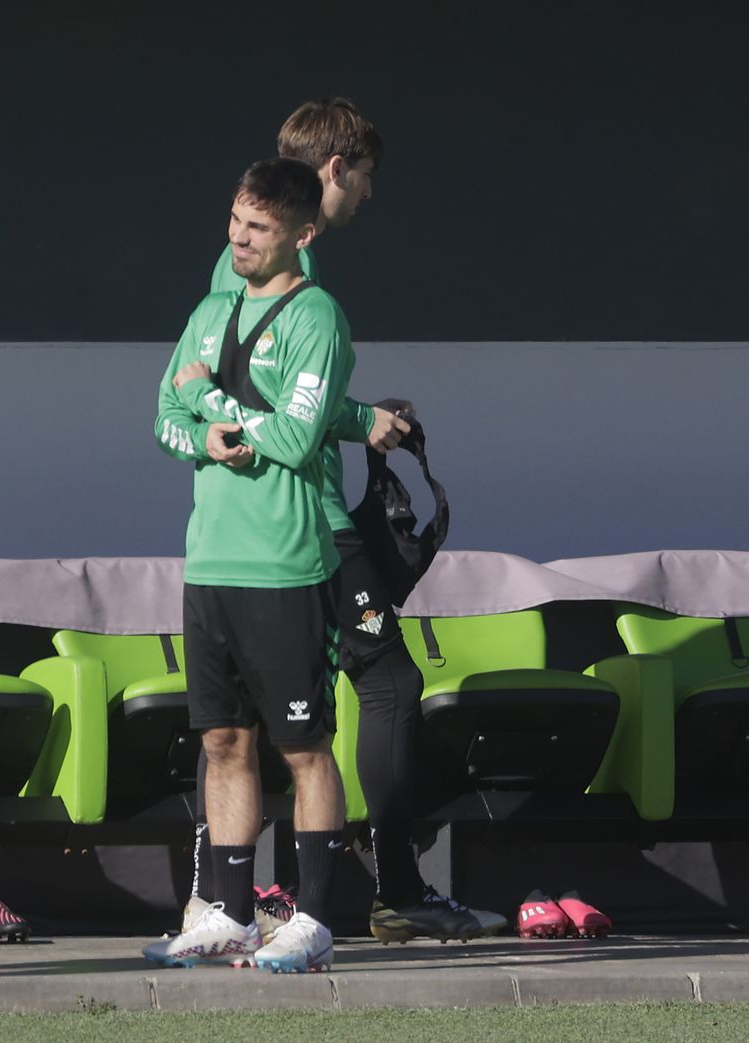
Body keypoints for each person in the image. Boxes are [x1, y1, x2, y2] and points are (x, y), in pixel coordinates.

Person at [183, 98, 505, 946]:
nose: (368, 194)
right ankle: (381, 889)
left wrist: (356, 416)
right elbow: (251, 399)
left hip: (292, 525)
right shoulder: (273, 274)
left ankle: (265, 896)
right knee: (385, 688)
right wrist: (356, 418)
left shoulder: (287, 270)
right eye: (363, 177)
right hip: (304, 528)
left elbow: (270, 396)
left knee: (261, 723)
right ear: (336, 170)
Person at [152, 157, 404, 973]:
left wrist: (215, 405)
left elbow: (296, 439)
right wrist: (201, 434)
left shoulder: (318, 316)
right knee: (224, 740)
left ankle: (315, 918)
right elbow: (162, 414)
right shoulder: (210, 307)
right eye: (234, 222)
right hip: (210, 563)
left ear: (301, 233)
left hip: (286, 567)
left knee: (303, 745)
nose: (238, 239)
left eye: (256, 229)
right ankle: (227, 910)